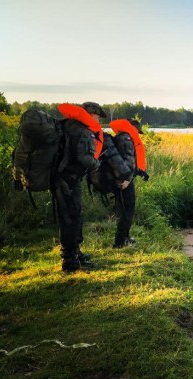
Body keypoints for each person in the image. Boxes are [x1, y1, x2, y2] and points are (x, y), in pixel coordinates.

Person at [56, 101, 105, 272]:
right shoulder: (84, 131)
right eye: (98, 116)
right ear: (91, 114)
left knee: (69, 217)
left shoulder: (66, 125)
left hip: (61, 178)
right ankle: (70, 261)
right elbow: (84, 158)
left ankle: (75, 253)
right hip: (69, 180)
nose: (98, 119)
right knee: (71, 218)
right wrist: (97, 164)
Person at [110, 119, 143, 248]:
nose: (138, 134)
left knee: (123, 209)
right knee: (126, 210)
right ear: (133, 127)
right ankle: (120, 242)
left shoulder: (120, 137)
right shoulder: (126, 139)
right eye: (137, 130)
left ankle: (124, 238)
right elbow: (128, 161)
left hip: (120, 179)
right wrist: (127, 179)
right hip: (124, 181)